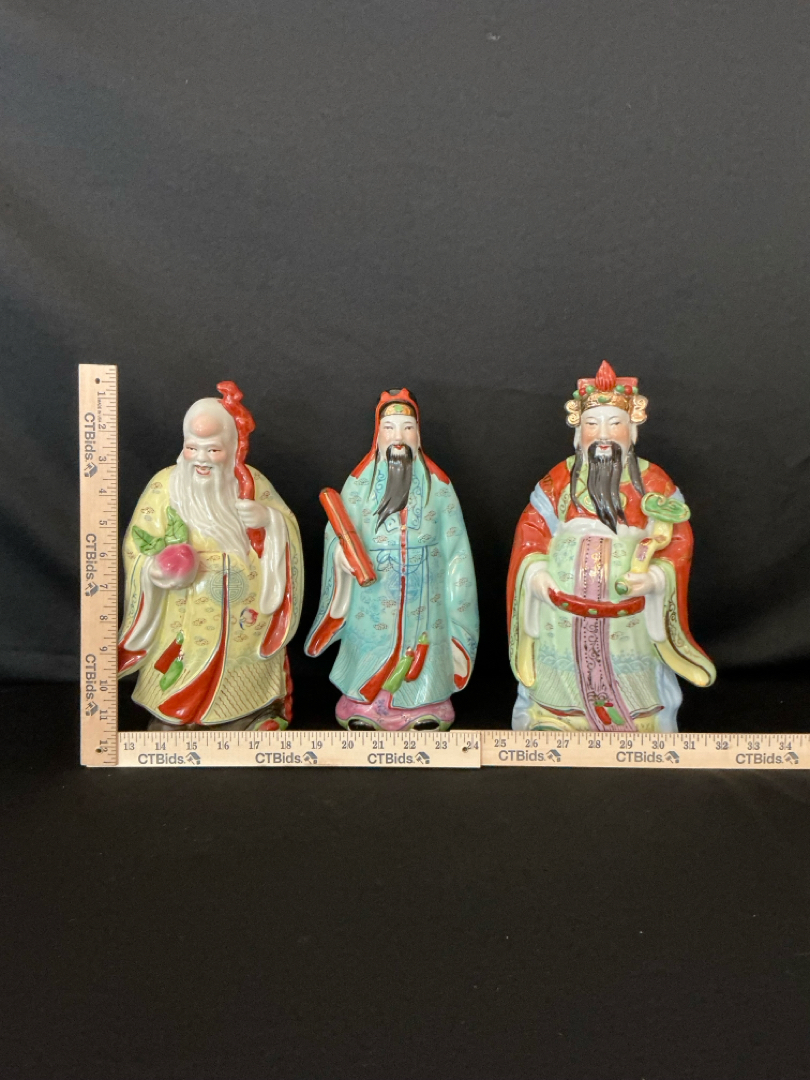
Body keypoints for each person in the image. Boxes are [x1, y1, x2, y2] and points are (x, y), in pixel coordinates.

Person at [507, 361, 715, 733]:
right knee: (562, 678)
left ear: (631, 430)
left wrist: (655, 578)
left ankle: (639, 722)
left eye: (614, 423)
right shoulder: (558, 480)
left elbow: (678, 541)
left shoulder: (654, 482)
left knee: (631, 678)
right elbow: (531, 532)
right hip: (561, 615)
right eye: (593, 424)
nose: (603, 436)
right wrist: (536, 574)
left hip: (628, 618)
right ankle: (556, 717)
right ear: (579, 433)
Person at [118, 383, 303, 730]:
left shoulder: (253, 483)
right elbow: (137, 544)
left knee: (242, 668)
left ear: (233, 448)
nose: (201, 458)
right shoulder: (165, 485)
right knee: (181, 660)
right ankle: (174, 715)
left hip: (244, 613)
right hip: (185, 606)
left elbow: (287, 529)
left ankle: (248, 712)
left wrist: (269, 520)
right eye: (192, 448)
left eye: (213, 449)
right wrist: (157, 568)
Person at [306, 388, 479, 731]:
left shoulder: (439, 486)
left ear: (418, 435)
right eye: (390, 428)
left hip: (426, 593)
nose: (398, 437)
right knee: (372, 642)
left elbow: (457, 546)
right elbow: (336, 534)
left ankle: (426, 701)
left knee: (424, 647)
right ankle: (364, 702)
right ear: (378, 434)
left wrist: (456, 592)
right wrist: (342, 557)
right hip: (372, 596)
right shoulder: (358, 485)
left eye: (407, 428)